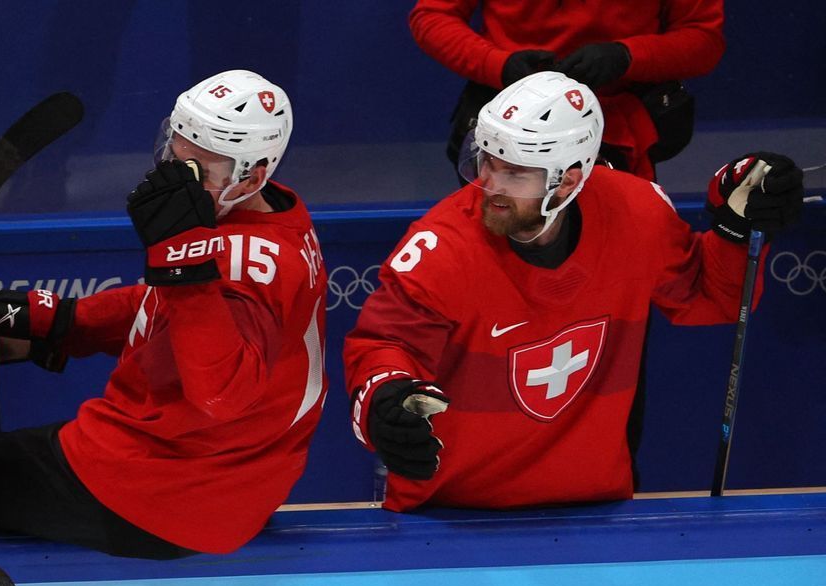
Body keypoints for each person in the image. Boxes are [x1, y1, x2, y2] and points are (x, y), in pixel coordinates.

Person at [342, 72, 803, 513]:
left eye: (516, 174)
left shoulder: (636, 213)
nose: (490, 187)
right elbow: (387, 345)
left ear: (569, 180)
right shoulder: (440, 248)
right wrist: (387, 401)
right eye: (487, 163)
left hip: (594, 507)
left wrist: (734, 226)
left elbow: (712, 298)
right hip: (454, 511)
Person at [0, 70, 327, 560]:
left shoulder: (243, 263)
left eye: (197, 171)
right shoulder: (273, 216)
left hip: (160, 489)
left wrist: (182, 267)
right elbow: (167, 311)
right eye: (173, 156)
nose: (172, 182)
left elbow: (224, 392)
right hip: (212, 480)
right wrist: (63, 320)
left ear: (255, 174)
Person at [410, 0, 725, 182]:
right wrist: (499, 65)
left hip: (615, 128)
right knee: (493, 265)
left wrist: (627, 56)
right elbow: (432, 16)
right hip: (507, 123)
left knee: (617, 265)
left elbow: (704, 40)